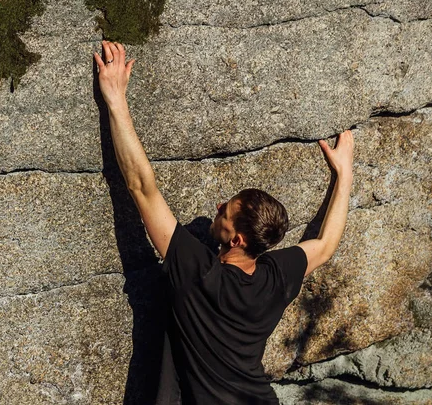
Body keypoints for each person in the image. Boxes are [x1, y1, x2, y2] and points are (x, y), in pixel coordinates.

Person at [93, 40, 355, 405]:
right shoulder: (276, 276)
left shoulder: (199, 273)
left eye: (224, 213)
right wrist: (345, 175)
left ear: (237, 240)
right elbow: (325, 245)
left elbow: (141, 187)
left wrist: (115, 99)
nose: (217, 207)